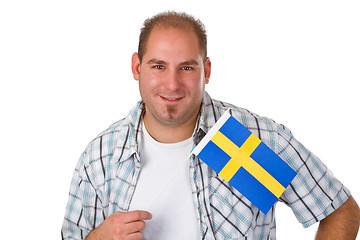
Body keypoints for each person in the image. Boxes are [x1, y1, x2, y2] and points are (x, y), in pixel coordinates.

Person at [61, 11, 360, 240]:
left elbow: (339, 210)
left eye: (187, 67)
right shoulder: (101, 156)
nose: (172, 83)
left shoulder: (251, 138)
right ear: (137, 68)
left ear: (206, 70)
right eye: (158, 66)